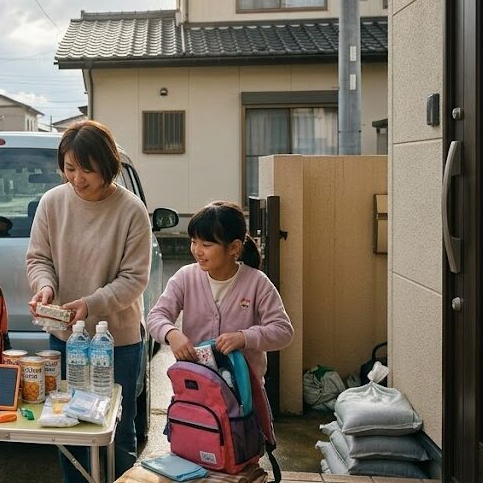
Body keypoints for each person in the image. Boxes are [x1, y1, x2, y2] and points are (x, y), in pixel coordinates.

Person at [26, 120, 152, 482]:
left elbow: (134, 280)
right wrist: (45, 287)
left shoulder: (131, 211)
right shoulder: (52, 202)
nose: (76, 178)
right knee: (67, 425)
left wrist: (90, 304)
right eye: (68, 168)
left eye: (86, 169)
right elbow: (39, 259)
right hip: (66, 335)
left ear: (108, 166)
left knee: (116, 427)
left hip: (118, 341)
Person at [146, 201, 294, 384]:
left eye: (206, 245)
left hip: (245, 393)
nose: (197, 251)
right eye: (194, 242)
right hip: (197, 389)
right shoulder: (185, 277)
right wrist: (171, 333)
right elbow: (156, 316)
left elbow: (283, 331)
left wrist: (244, 337)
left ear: (234, 248)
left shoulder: (257, 283)